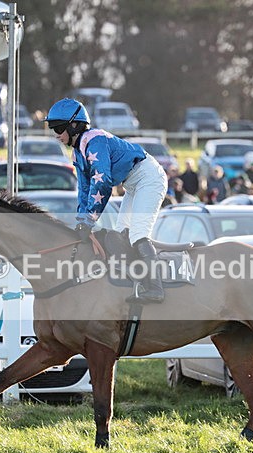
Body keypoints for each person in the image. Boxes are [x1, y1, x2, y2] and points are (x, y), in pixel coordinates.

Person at [45, 97, 167, 303]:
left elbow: (103, 184)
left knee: (137, 234)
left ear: (74, 125)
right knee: (121, 235)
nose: (55, 134)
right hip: (133, 183)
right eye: (52, 128)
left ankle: (156, 288)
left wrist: (90, 221)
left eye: (58, 128)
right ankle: (134, 281)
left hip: (149, 178)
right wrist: (81, 222)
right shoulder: (78, 152)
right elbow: (84, 190)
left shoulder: (95, 141)